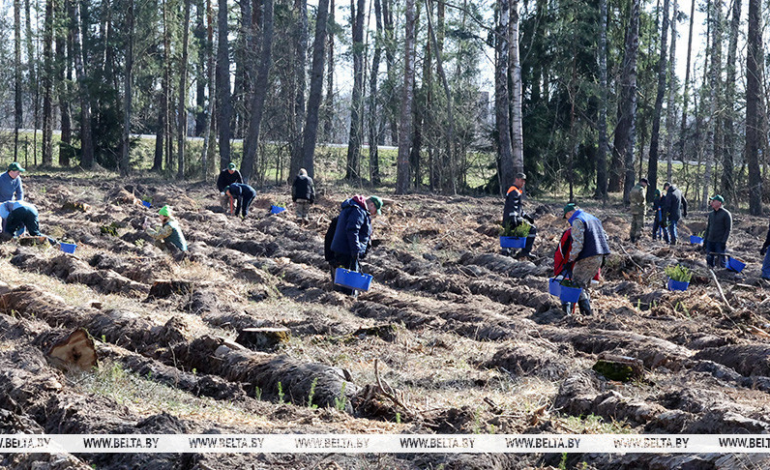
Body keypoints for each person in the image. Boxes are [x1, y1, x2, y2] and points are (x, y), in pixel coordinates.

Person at [563, 203, 611, 316]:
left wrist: (571, 258)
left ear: (569, 213)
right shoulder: (593, 218)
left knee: (576, 283)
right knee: (584, 285)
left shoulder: (577, 220)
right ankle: (586, 313)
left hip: (587, 257)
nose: (568, 221)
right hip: (599, 255)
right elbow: (606, 236)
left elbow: (578, 243)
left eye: (566, 217)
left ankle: (581, 314)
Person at [330, 195, 382, 294]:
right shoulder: (358, 211)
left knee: (343, 280)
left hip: (344, 249)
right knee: (347, 283)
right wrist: (356, 249)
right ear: (371, 205)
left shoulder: (354, 208)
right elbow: (352, 230)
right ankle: (346, 299)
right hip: (347, 251)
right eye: (375, 210)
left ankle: (344, 297)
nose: (373, 214)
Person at [502, 172, 537, 260]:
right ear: (516, 179)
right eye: (522, 180)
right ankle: (525, 252)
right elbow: (512, 207)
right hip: (512, 218)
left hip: (510, 218)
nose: (523, 183)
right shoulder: (514, 191)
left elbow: (518, 209)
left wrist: (526, 216)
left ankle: (508, 252)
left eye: (524, 181)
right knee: (532, 229)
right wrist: (513, 219)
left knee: (510, 235)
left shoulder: (515, 190)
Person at [703, 195, 731, 269]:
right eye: (711, 201)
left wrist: (723, 242)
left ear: (719, 203)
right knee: (709, 259)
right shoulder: (711, 214)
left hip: (719, 241)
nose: (711, 203)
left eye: (713, 201)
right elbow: (708, 228)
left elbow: (728, 229)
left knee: (721, 260)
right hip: (710, 240)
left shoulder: (726, 214)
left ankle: (722, 275)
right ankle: (710, 273)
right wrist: (705, 240)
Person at [628, 178, 648, 243]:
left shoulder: (633, 188)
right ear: (643, 183)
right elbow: (642, 197)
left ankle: (632, 237)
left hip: (633, 208)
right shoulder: (641, 189)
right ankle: (638, 238)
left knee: (633, 222)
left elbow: (630, 196)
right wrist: (641, 203)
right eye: (646, 184)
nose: (646, 186)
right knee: (640, 223)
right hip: (640, 209)